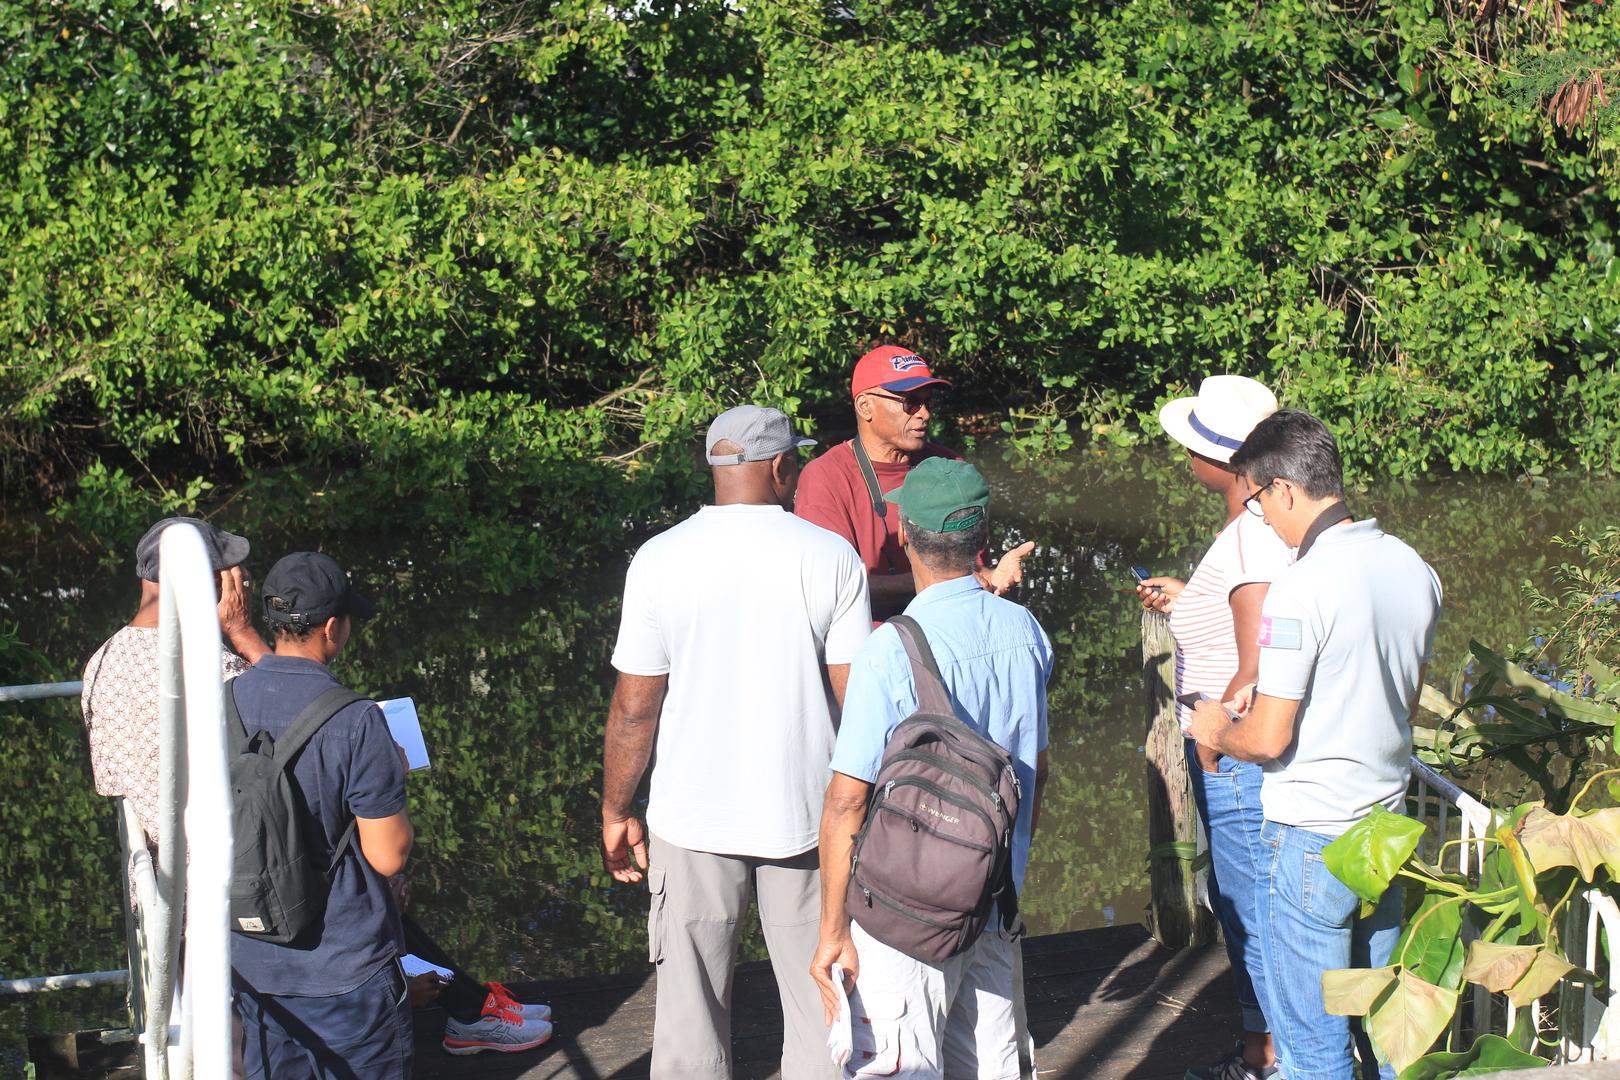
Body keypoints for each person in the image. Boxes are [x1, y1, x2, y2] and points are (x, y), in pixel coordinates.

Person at [601, 404, 873, 1080]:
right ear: (782, 468)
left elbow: (636, 709)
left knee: (690, 1023)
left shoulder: (657, 559)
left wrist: (615, 811)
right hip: (809, 819)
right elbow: (860, 703)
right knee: (823, 1002)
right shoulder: (830, 556)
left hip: (690, 821)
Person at [1186, 411, 1441, 1080]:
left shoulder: (1300, 586)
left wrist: (1216, 730)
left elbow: (1268, 739)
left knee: (1312, 1050)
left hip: (1312, 841)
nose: (1259, 518)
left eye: (1258, 501)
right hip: (1385, 831)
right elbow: (1395, 701)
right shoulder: (1413, 567)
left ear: (1284, 489)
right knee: (1389, 1031)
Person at [811, 457, 1052, 1080]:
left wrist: (833, 928)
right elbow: (1036, 769)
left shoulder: (890, 649)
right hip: (994, 898)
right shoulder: (1026, 630)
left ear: (905, 534)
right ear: (981, 540)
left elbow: (846, 802)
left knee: (900, 1067)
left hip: (904, 915)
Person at [1135, 377, 1292, 1080]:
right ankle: (1267, 1050)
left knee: (1252, 915)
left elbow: (1255, 663)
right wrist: (1189, 599)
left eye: (1191, 444)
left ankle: (1268, 1060)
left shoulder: (1252, 538)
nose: (1183, 455)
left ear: (1222, 462)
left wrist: (1213, 736)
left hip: (1234, 757)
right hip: (1233, 750)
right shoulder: (1251, 532)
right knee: (1246, 909)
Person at [229, 552, 417, 1079]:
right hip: (344, 970)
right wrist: (392, 775)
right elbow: (387, 854)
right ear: (332, 628)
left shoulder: (223, 703)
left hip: (254, 962)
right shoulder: (357, 720)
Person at [794, 345, 1034, 619]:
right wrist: (933, 581)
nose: (924, 414)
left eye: (928, 402)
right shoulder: (826, 477)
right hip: (872, 649)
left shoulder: (950, 468)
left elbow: (975, 571)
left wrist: (994, 577)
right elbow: (830, 589)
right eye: (910, 402)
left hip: (949, 635)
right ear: (865, 406)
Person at [81, 516, 269, 855]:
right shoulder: (211, 666)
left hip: (157, 879)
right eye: (227, 576)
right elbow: (302, 712)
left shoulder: (102, 662)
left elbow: (111, 780)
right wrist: (243, 631)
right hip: (225, 880)